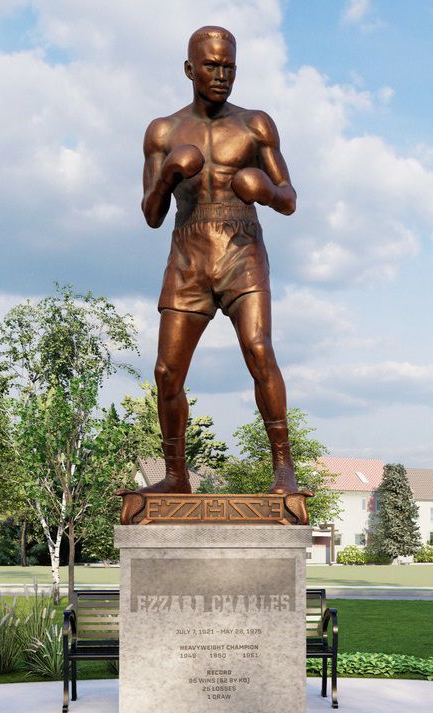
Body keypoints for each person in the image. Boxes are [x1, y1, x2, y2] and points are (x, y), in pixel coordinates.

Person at [139, 25, 298, 495]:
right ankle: (175, 477)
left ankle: (284, 470)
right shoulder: (164, 131)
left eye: (229, 66)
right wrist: (168, 174)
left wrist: (265, 191)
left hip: (242, 247)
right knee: (167, 371)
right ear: (190, 69)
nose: (221, 74)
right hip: (188, 250)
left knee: (259, 348)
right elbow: (151, 214)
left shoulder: (256, 124)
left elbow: (289, 198)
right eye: (211, 65)